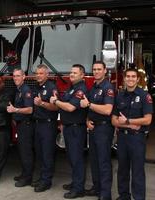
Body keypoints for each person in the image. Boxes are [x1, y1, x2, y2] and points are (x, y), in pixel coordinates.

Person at [112, 68, 153, 200]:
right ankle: (124, 196)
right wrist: (130, 124)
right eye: (128, 76)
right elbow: (114, 120)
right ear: (124, 78)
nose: (130, 79)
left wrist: (127, 121)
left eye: (133, 76)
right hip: (122, 138)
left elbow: (147, 120)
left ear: (137, 79)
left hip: (137, 139)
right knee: (122, 170)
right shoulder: (119, 96)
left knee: (137, 171)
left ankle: (139, 197)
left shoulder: (144, 96)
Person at [50, 64, 88, 199]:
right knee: (71, 158)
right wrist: (62, 123)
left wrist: (55, 101)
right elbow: (64, 107)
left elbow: (71, 107)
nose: (71, 74)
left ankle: (79, 189)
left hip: (76, 128)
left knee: (77, 158)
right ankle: (75, 183)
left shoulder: (81, 89)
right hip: (68, 127)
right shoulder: (71, 88)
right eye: (71, 72)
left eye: (75, 73)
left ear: (82, 75)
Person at [80, 61, 115, 200]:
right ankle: (96, 188)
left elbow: (107, 110)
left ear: (105, 71)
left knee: (104, 161)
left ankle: (105, 194)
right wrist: (87, 120)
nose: (96, 72)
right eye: (94, 69)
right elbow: (90, 109)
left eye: (99, 69)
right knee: (94, 160)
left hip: (104, 129)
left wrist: (89, 104)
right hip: (94, 128)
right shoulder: (94, 87)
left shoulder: (108, 87)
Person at [32, 64, 58, 192]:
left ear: (47, 75)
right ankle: (42, 177)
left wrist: (41, 103)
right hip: (38, 124)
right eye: (37, 73)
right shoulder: (37, 87)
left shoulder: (51, 88)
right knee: (40, 153)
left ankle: (46, 181)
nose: (38, 75)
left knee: (47, 154)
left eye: (41, 73)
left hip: (48, 125)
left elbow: (56, 107)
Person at [7, 69, 34, 187]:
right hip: (20, 124)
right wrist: (14, 117)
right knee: (22, 152)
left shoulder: (26, 90)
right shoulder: (18, 90)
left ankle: (27, 178)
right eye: (14, 76)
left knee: (26, 153)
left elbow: (30, 110)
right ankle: (24, 174)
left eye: (18, 76)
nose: (15, 78)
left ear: (24, 77)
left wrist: (15, 110)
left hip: (26, 125)